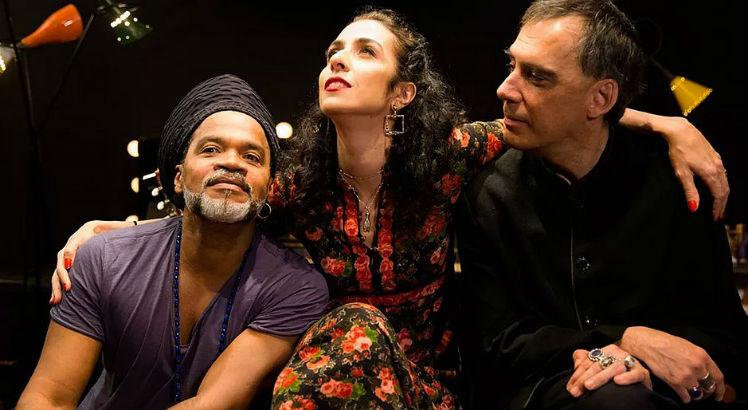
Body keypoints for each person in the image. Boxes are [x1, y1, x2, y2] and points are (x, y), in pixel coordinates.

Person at [49, 8, 729, 409]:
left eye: (364, 51)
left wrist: (665, 123)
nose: (337, 62)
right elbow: (215, 203)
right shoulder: (298, 184)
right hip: (330, 380)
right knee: (349, 324)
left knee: (359, 325)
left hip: (431, 388)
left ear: (403, 94)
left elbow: (559, 118)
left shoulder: (450, 157)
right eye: (332, 53)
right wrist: (115, 232)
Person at [456, 1, 748, 409]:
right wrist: (623, 341)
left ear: (601, 97)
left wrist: (642, 366)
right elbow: (493, 348)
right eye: (512, 65)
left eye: (537, 76)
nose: (504, 89)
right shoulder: (486, 192)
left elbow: (726, 337)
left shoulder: (676, 183)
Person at [17, 74, 329, 409]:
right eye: (211, 149)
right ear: (178, 178)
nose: (232, 162)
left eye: (252, 157)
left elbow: (208, 405)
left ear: (269, 187)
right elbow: (48, 396)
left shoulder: (295, 286)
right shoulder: (103, 258)